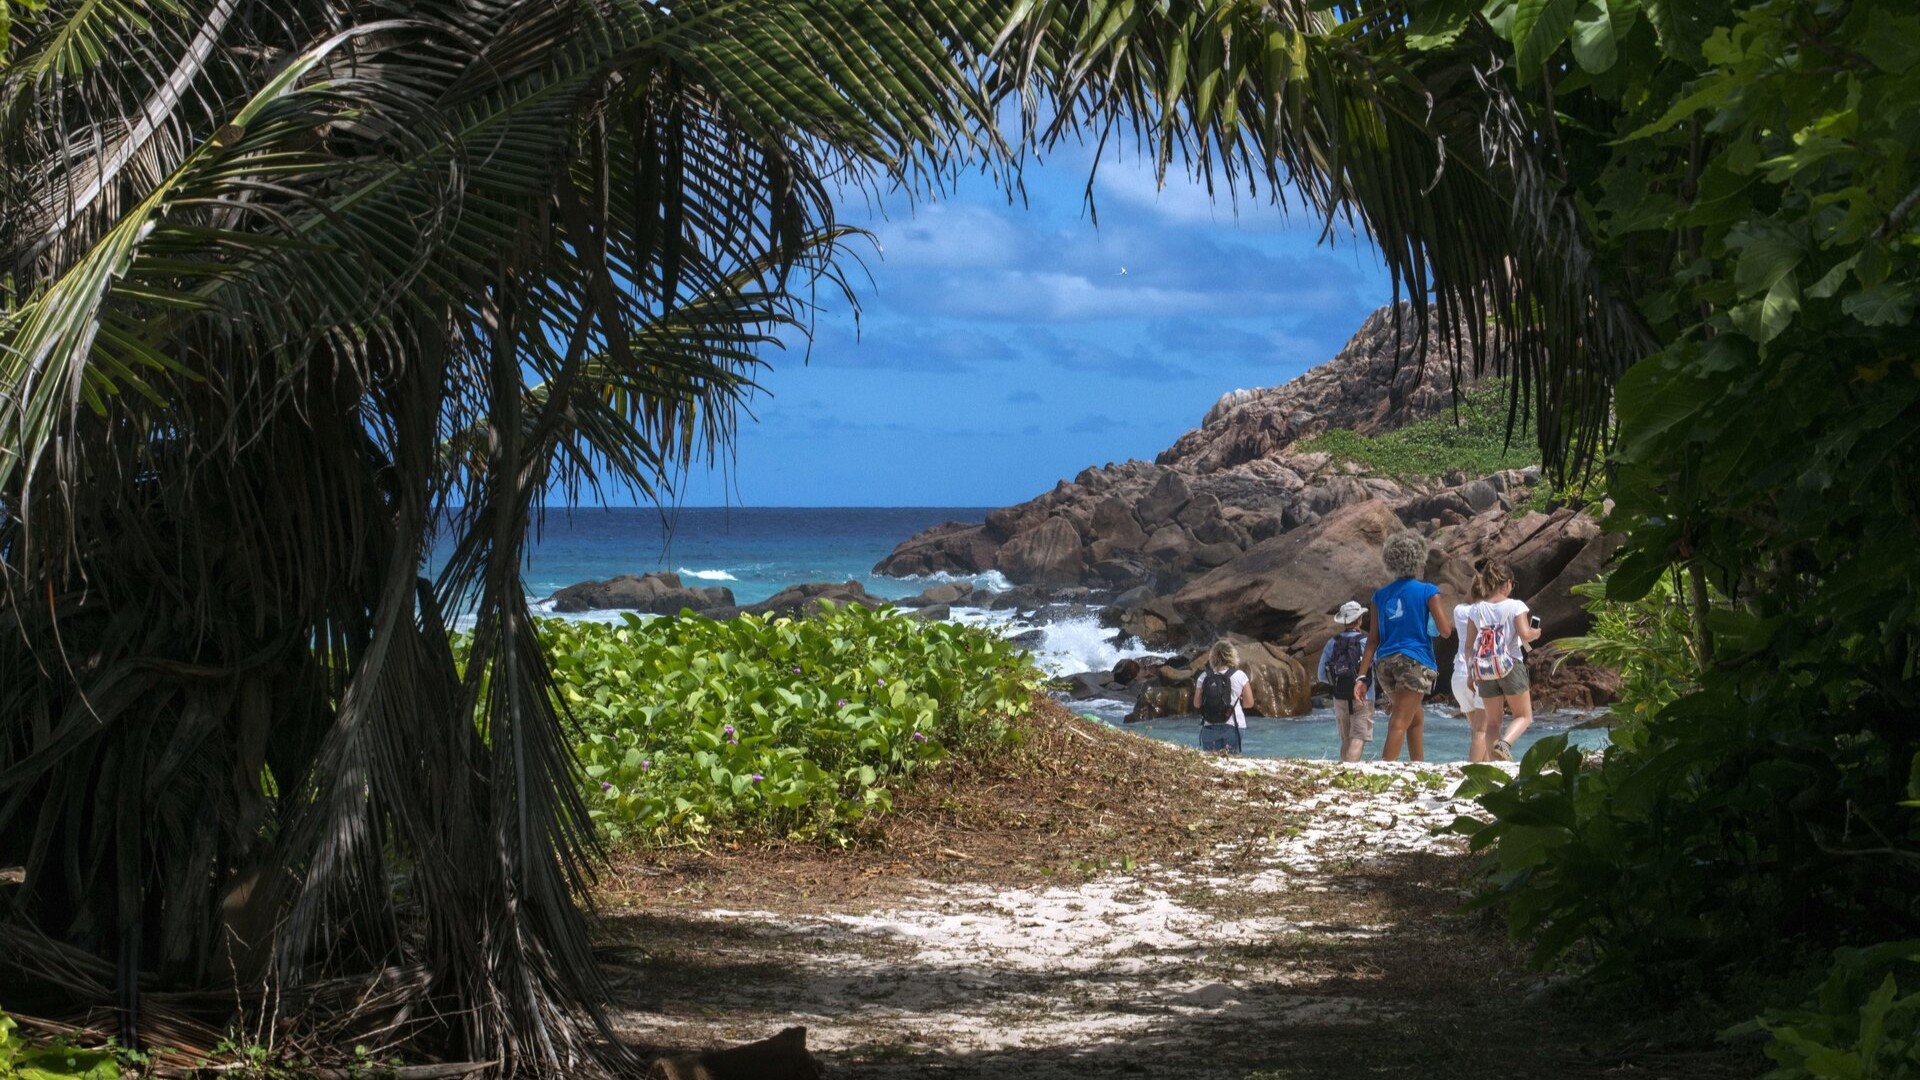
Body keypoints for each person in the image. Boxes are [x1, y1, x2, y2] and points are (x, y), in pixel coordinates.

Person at [1352, 532, 1452, 762]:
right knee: (1399, 722)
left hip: (1385, 665)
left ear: (1390, 561)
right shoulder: (1428, 591)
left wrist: (1361, 677)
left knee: (1415, 718)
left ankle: (1419, 766)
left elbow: (1373, 639)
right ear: (1418, 559)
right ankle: (1384, 770)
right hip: (1414, 661)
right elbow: (1446, 631)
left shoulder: (1379, 596)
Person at [1466, 561, 1542, 762]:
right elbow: (1525, 634)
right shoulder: (1516, 606)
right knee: (1523, 716)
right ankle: (1505, 744)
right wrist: (1535, 633)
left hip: (1485, 668)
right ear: (1507, 582)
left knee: (1492, 723)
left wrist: (1470, 674)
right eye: (1512, 584)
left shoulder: (1476, 609)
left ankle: (1495, 763)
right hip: (1510, 665)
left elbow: (1469, 645)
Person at [1316, 601, 1373, 762]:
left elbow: (1321, 675)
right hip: (1364, 696)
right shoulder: (1366, 642)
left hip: (1340, 696)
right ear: (1360, 619)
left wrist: (1339, 682)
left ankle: (1343, 769)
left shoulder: (1332, 642)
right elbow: (1377, 667)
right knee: (1358, 738)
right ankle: (1349, 771)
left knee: (1346, 739)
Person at [1452, 574, 1492, 761]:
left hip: (1459, 677)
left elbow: (1467, 599)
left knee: (1479, 732)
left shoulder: (1459, 611)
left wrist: (1475, 585)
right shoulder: (1488, 612)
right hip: (1479, 672)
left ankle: (1485, 768)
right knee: (1481, 731)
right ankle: (1472, 771)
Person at [1191, 640, 1254, 754]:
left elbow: (1197, 704)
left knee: (1211, 762)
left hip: (1209, 726)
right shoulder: (1240, 675)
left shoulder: (1203, 676)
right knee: (1231, 762)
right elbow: (1249, 704)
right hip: (1234, 725)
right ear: (1232, 656)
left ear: (1213, 657)